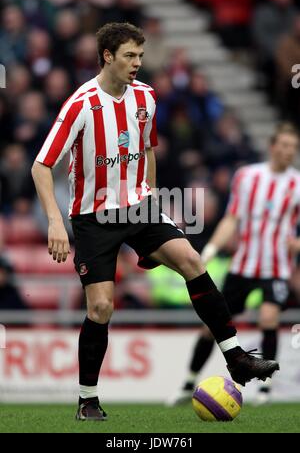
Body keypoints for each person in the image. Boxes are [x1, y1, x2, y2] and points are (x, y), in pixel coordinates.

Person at [31, 22, 279, 421]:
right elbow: (41, 166)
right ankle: (88, 400)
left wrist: (150, 197)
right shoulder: (81, 104)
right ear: (108, 56)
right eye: (130, 55)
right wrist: (55, 222)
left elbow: (148, 149)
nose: (138, 63)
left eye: (141, 56)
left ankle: (236, 358)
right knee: (101, 308)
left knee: (192, 261)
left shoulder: (146, 97)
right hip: (93, 218)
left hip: (139, 209)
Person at [169, 122, 299, 406]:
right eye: (285, 145)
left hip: (276, 267)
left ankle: (265, 390)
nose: (290, 151)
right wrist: (212, 249)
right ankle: (188, 382)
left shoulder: (297, 184)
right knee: (211, 327)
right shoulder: (247, 176)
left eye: (294, 147)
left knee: (268, 318)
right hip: (242, 266)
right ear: (272, 146)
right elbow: (232, 218)